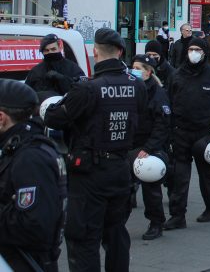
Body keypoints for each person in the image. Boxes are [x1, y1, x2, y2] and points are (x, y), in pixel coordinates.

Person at [44, 28, 149, 271]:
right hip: (121, 168)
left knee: (83, 238)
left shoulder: (88, 88)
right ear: (121, 52)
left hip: (90, 172)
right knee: (116, 234)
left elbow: (55, 118)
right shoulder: (138, 85)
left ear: (94, 52)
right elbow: (142, 121)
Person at [163, 36, 210, 230]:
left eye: (198, 50)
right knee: (179, 177)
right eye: (191, 49)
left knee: (208, 176)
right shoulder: (176, 75)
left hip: (206, 135)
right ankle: (178, 216)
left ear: (205, 53)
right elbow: (167, 105)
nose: (194, 53)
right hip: (180, 134)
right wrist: (169, 132)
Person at [0, 80, 66, 272]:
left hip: (26, 262)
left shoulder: (31, 157)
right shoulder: (17, 147)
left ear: (2, 118)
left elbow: (34, 226)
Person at [129, 55, 171, 241]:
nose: (134, 71)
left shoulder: (158, 94)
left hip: (149, 149)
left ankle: (156, 222)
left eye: (138, 68)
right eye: (133, 67)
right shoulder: (130, 89)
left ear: (148, 72)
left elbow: (162, 126)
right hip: (129, 146)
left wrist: (148, 147)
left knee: (150, 187)